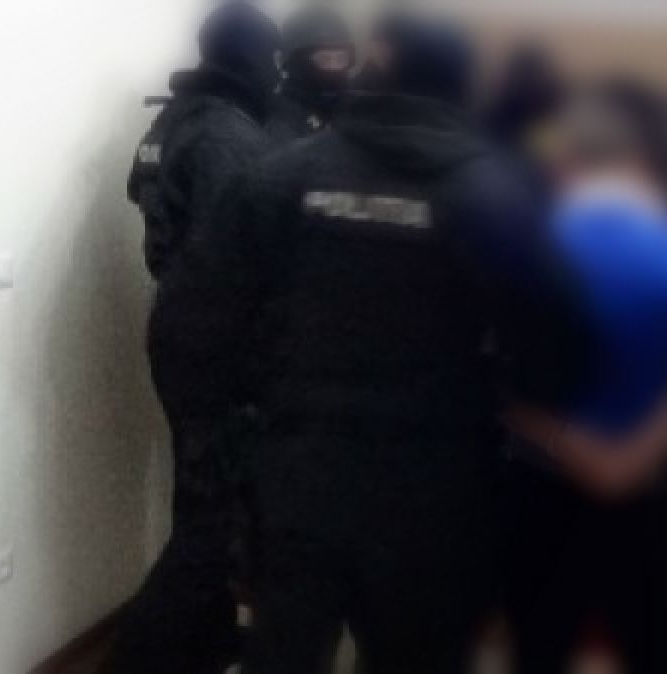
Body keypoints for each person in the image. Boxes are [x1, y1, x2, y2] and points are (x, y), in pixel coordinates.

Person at [207, 15, 573, 673]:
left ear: (373, 69)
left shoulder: (282, 177)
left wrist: (239, 449)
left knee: (284, 656)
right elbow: (554, 358)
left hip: (299, 477)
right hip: (439, 494)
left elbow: (199, 327)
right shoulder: (502, 197)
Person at [501, 81, 667, 674]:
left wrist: (569, 443)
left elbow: (496, 376)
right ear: (645, 165)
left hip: (542, 490)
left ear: (566, 164)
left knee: (538, 649)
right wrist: (632, 458)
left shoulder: (527, 246)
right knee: (652, 649)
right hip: (651, 496)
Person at [105, 3, 280, 674]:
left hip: (178, 331)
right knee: (213, 526)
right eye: (271, 58)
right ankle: (133, 660)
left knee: (198, 497)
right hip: (218, 345)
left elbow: (143, 196)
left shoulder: (170, 121)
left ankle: (205, 642)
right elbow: (243, 258)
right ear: (252, 59)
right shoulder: (229, 137)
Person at [266, 5, 353, 142]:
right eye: (324, 59)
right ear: (297, 63)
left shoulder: (353, 110)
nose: (334, 68)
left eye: (341, 59)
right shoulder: (279, 122)